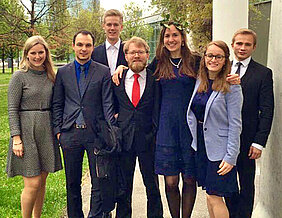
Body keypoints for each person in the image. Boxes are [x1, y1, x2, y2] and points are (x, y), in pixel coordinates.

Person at [112, 21, 240, 218]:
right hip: (166, 128)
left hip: (190, 128)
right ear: (163, 40)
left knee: (189, 179)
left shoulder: (196, 61)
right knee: (171, 182)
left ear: (182, 38)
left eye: (175, 35)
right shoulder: (158, 63)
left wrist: (231, 77)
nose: (171, 39)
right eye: (167, 36)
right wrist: (121, 67)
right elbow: (138, 68)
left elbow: (215, 71)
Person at [52, 30, 115, 218]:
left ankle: (95, 215)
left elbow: (107, 103)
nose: (83, 49)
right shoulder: (63, 72)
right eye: (80, 44)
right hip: (70, 134)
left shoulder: (103, 71)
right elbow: (57, 103)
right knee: (72, 183)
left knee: (98, 181)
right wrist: (58, 131)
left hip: (95, 134)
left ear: (92, 48)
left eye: (88, 45)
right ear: (73, 46)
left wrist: (109, 132)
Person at [6, 35, 62, 218]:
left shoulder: (51, 76)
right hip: (26, 133)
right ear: (26, 54)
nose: (37, 56)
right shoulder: (19, 77)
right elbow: (12, 109)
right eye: (33, 53)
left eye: (41, 52)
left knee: (42, 181)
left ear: (46, 53)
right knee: (33, 182)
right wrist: (16, 138)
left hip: (46, 130)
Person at [187, 40, 243, 218]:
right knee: (210, 195)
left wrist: (231, 157)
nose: (213, 60)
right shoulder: (200, 81)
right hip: (202, 147)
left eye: (219, 56)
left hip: (221, 150)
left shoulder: (232, 86)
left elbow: (236, 124)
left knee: (215, 196)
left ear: (226, 60)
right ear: (204, 58)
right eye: (210, 55)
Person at [225, 28, 274, 218]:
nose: (242, 47)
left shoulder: (263, 73)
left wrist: (259, 142)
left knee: (246, 185)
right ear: (232, 45)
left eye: (247, 44)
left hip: (248, 141)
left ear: (254, 47)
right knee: (227, 183)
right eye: (239, 43)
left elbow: (267, 110)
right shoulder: (222, 68)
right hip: (225, 138)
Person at [112, 36, 163, 218]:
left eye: (140, 52)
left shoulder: (155, 79)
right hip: (124, 139)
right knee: (123, 186)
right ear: (125, 56)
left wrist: (155, 133)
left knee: (152, 186)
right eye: (132, 52)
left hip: (148, 139)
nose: (136, 55)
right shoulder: (117, 78)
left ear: (147, 55)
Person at [91, 9, 127, 75]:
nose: (112, 28)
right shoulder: (94, 53)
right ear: (103, 26)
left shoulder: (129, 51)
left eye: (116, 25)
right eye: (109, 25)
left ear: (121, 27)